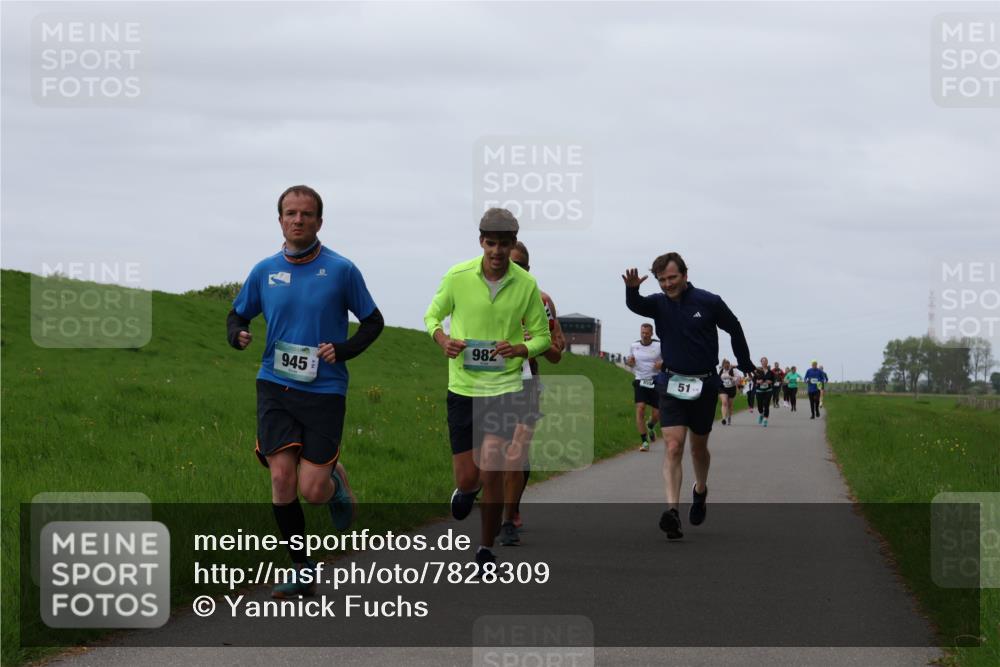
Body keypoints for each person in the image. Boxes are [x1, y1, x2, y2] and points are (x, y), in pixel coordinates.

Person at [227, 185, 384, 598]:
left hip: (325, 390)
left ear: (319, 221)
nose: (298, 220)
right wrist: (237, 334)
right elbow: (237, 314)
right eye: (291, 213)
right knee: (281, 477)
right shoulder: (264, 271)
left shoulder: (341, 270)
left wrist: (343, 349)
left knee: (312, 491)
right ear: (280, 220)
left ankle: (335, 481)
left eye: (307, 214)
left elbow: (373, 322)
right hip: (275, 385)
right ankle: (302, 569)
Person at [424, 208, 551, 573]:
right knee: (469, 477)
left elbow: (543, 337)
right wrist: (442, 339)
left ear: (513, 245)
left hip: (506, 386)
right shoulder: (457, 276)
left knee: (493, 464)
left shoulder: (526, 285)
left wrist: (521, 348)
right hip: (463, 386)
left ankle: (484, 550)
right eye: (491, 243)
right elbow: (432, 316)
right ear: (481, 242)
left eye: (504, 244)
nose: (497, 251)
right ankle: (466, 490)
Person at [623, 252, 754, 540]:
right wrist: (631, 290)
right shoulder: (659, 304)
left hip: (704, 385)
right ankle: (672, 511)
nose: (667, 284)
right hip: (671, 382)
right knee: (673, 446)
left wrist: (744, 362)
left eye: (672, 278)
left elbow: (734, 327)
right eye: (662, 280)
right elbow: (637, 305)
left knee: (697, 449)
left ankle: (700, 490)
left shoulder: (708, 302)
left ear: (684, 275)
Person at [499, 241, 565, 546]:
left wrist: (535, 343)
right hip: (487, 382)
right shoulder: (483, 294)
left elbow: (557, 354)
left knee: (517, 451)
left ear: (528, 269)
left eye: (519, 266)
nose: (512, 270)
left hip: (526, 381)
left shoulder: (542, 301)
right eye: (508, 263)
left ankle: (508, 517)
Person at [626, 323, 663, 451]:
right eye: (642, 333)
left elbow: (668, 359)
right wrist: (629, 362)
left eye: (647, 333)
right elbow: (630, 362)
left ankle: (651, 425)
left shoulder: (659, 345)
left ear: (651, 334)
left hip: (655, 380)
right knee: (640, 408)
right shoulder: (634, 345)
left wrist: (662, 364)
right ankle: (644, 442)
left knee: (657, 414)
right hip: (640, 380)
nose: (644, 335)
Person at [753, 357, 775, 427]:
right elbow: (754, 379)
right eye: (763, 361)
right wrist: (758, 381)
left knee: (766, 405)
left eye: (765, 361)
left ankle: (765, 420)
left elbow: (773, 380)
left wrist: (770, 381)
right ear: (761, 362)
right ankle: (761, 414)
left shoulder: (771, 372)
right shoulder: (757, 371)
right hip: (759, 390)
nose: (764, 362)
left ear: (767, 362)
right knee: (759, 405)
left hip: (768, 390)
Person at [718, 359, 739, 425]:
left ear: (729, 365)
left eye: (727, 365)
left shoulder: (733, 371)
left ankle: (729, 417)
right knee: (724, 402)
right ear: (723, 365)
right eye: (725, 365)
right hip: (723, 388)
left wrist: (731, 378)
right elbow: (717, 378)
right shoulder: (720, 371)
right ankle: (724, 418)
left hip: (731, 388)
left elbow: (737, 379)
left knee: (730, 405)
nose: (726, 366)